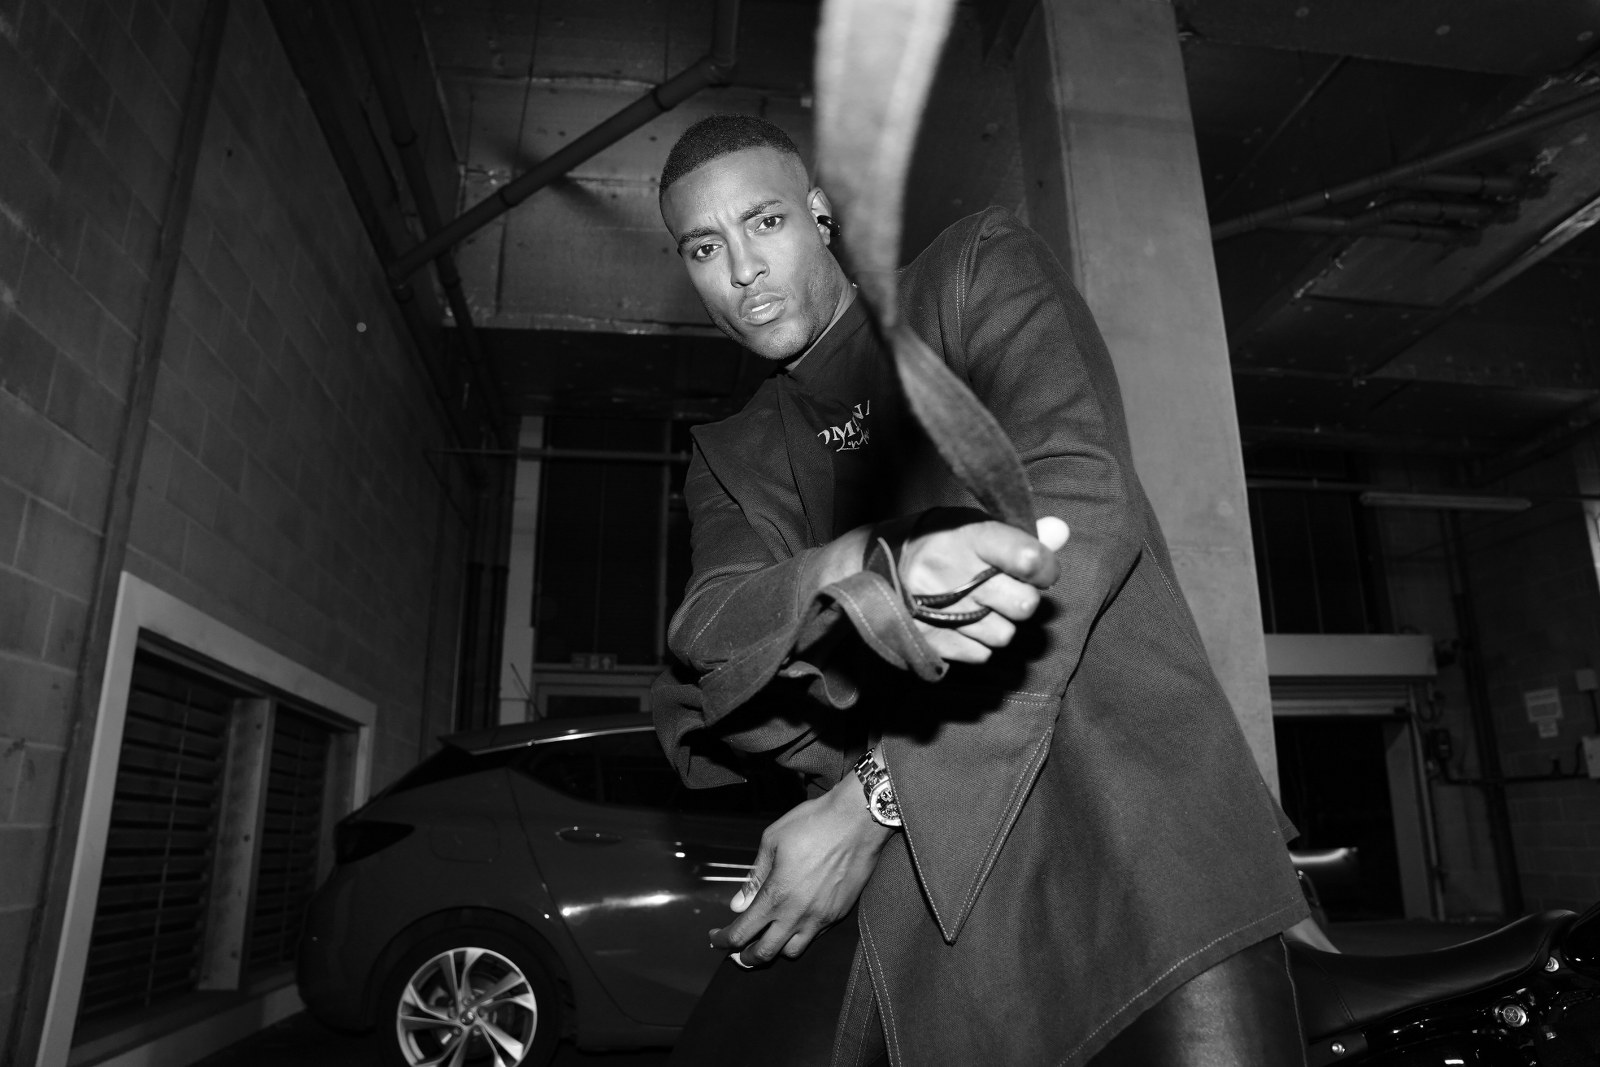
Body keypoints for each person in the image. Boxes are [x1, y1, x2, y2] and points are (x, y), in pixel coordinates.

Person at [650, 114, 1309, 1066]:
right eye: (704, 247)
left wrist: (876, 798)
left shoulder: (968, 276)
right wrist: (862, 563)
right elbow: (713, 633)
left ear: (820, 215)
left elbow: (1078, 498)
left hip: (1135, 835)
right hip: (918, 901)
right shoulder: (731, 455)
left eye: (766, 222)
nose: (743, 269)